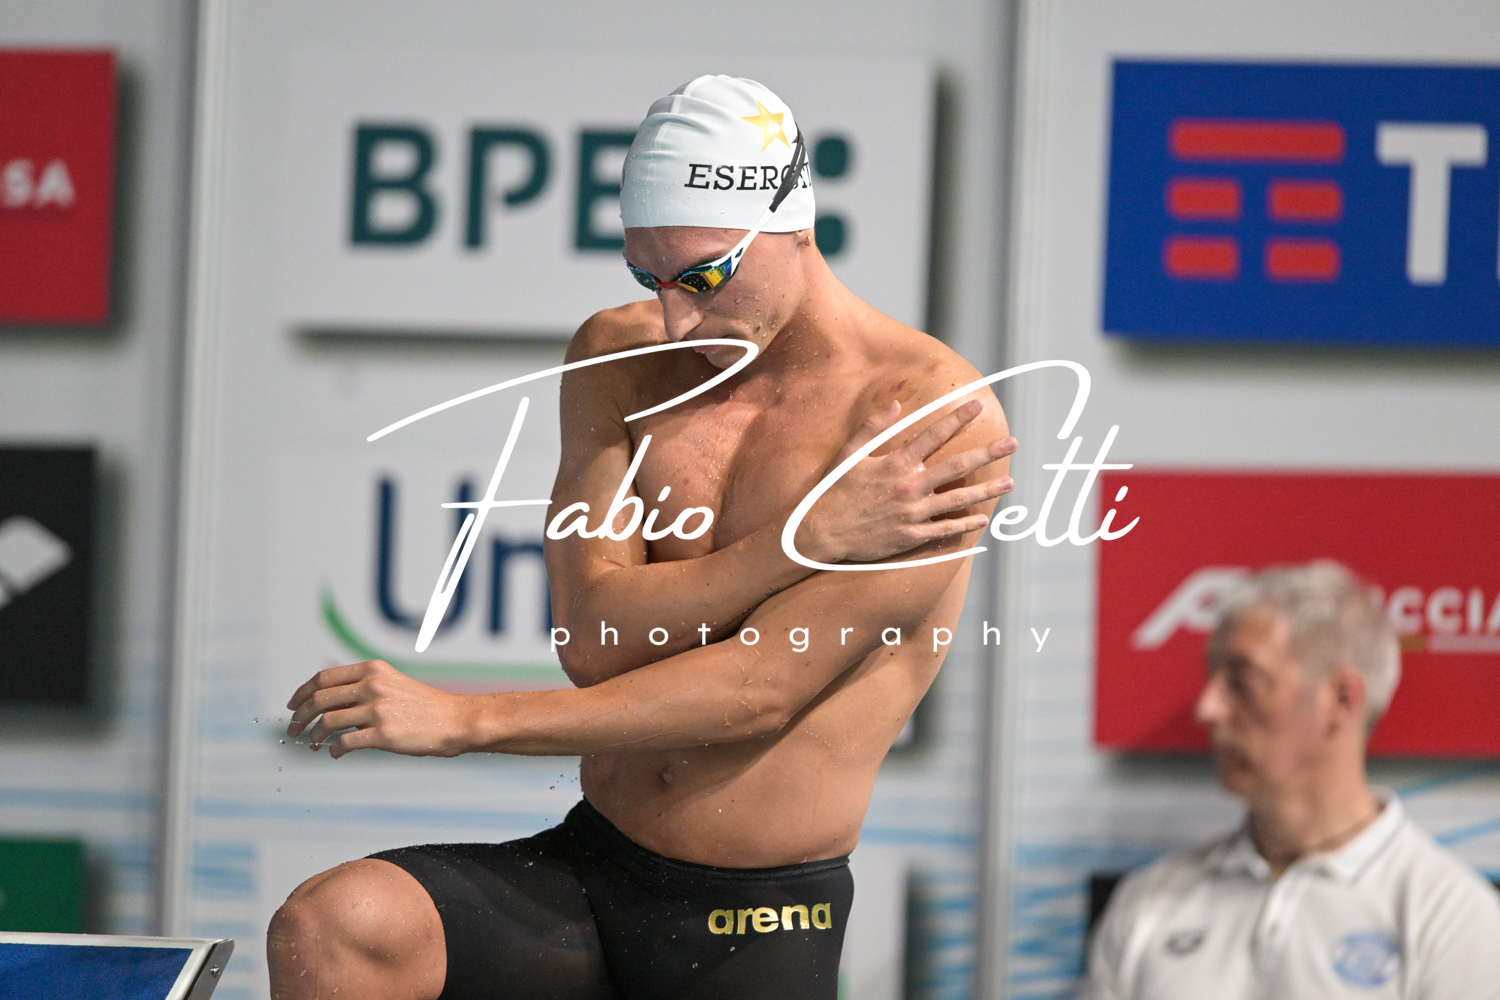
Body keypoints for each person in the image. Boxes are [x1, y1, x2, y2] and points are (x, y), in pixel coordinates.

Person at [268, 75, 1014, 1000]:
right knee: (334, 928)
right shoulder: (618, 359)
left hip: (757, 927)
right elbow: (594, 640)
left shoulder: (931, 417)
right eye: (646, 278)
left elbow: (760, 690)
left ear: (792, 222)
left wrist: (464, 721)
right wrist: (800, 539)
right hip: (594, 866)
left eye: (703, 277)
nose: (674, 318)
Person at [1084, 560, 1500, 1000]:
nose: (1207, 708)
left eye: (1242, 682)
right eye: (1212, 677)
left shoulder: (1451, 920)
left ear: (1341, 700)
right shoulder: (1146, 904)